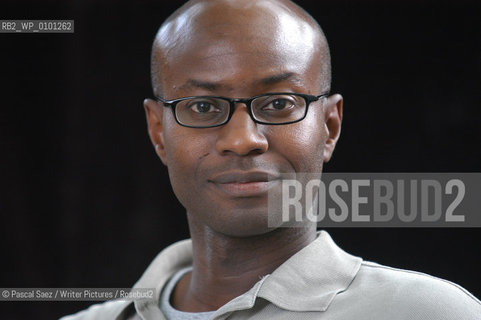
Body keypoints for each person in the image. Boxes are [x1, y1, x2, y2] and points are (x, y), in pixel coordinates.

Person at [62, 0, 481, 319]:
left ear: (329, 127)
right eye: (203, 107)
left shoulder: (430, 312)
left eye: (279, 102)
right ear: (158, 132)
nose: (243, 140)